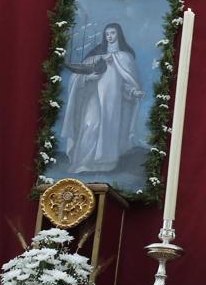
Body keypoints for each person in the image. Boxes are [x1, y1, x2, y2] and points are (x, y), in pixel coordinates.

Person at [59, 22, 144, 173]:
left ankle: (103, 164)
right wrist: (88, 78)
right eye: (107, 34)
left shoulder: (124, 58)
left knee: (106, 130)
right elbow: (77, 75)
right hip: (92, 98)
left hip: (112, 103)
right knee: (90, 124)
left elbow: (124, 85)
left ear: (119, 35)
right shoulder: (96, 56)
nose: (109, 37)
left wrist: (133, 92)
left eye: (112, 33)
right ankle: (83, 163)